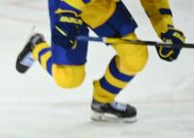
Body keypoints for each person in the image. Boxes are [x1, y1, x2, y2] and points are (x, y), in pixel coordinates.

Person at [15, 0, 185, 123]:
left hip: (101, 5)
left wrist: (166, 30)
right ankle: (36, 46)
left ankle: (102, 100)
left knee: (136, 57)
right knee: (69, 78)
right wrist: (66, 15)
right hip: (67, 5)